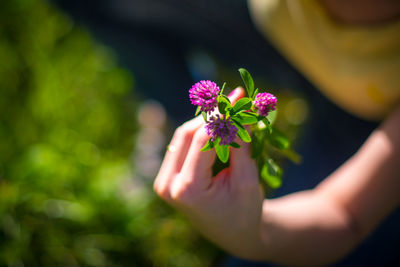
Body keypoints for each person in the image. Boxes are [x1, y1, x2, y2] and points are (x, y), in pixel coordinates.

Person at [154, 0, 400, 266]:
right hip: (286, 43)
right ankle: (171, 112)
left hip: (370, 119)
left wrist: (256, 232)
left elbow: (345, 215)